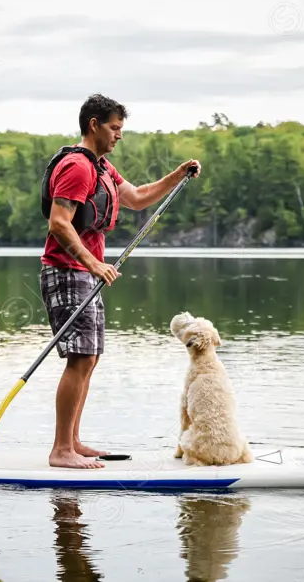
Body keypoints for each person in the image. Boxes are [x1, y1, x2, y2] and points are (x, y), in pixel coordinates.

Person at [40, 93, 201, 469]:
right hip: (67, 270)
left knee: (90, 358)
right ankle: (61, 450)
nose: (119, 136)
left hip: (85, 272)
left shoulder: (103, 169)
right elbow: (59, 224)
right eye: (114, 128)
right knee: (79, 359)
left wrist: (178, 174)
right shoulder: (78, 167)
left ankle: (73, 442)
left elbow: (139, 197)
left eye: (121, 129)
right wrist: (94, 264)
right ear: (93, 125)